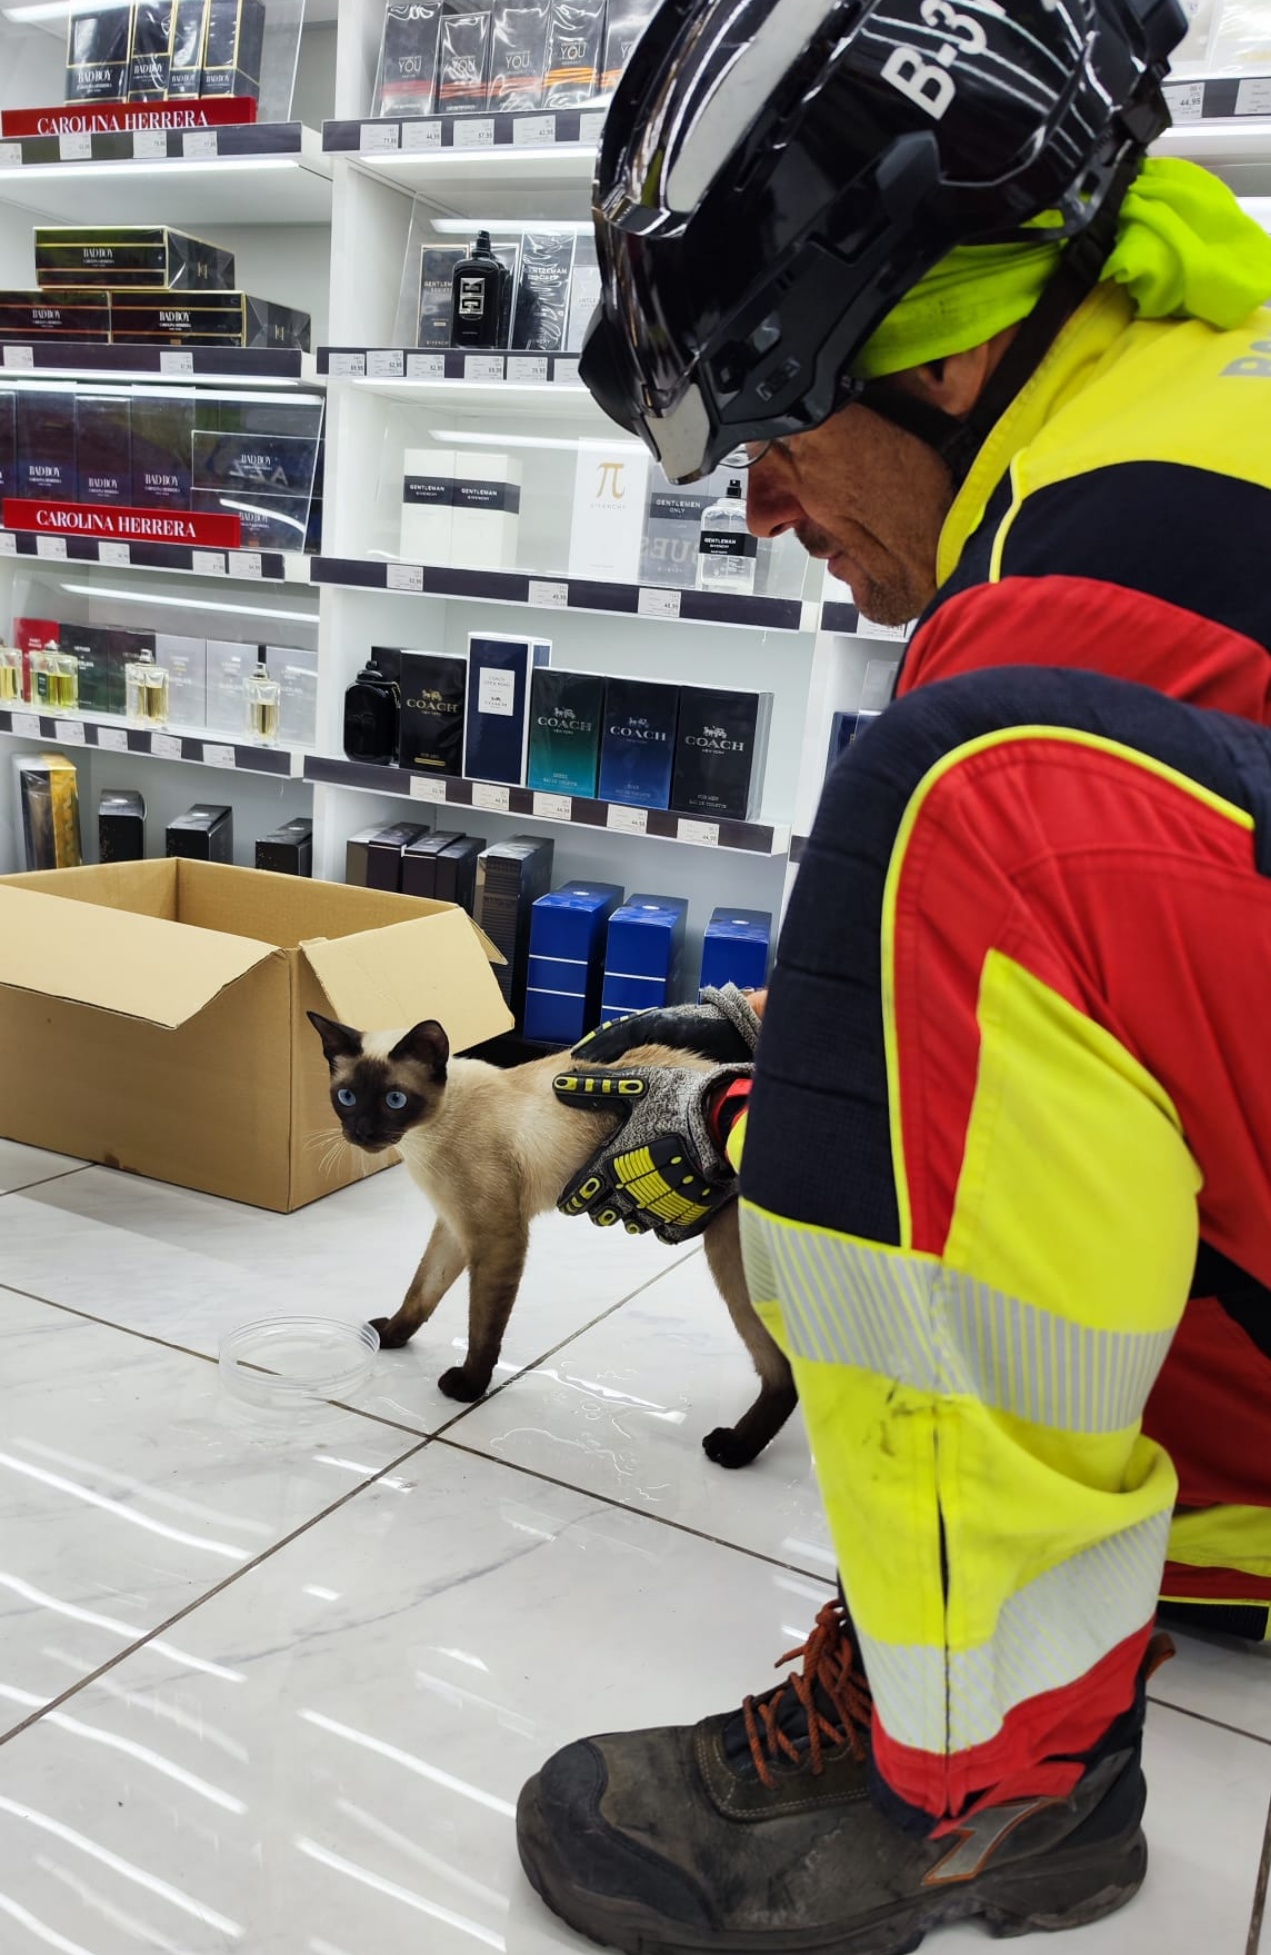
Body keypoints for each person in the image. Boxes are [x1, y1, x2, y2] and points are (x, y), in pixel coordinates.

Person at [513, 1, 1271, 1949]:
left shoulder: (1084, 591)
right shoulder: (1190, 417)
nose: (761, 506)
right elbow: (1179, 987)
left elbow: (1031, 994)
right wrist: (780, 1047)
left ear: (939, 351)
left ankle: (984, 1775)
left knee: (959, 829)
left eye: (774, 427)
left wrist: (781, 1123)